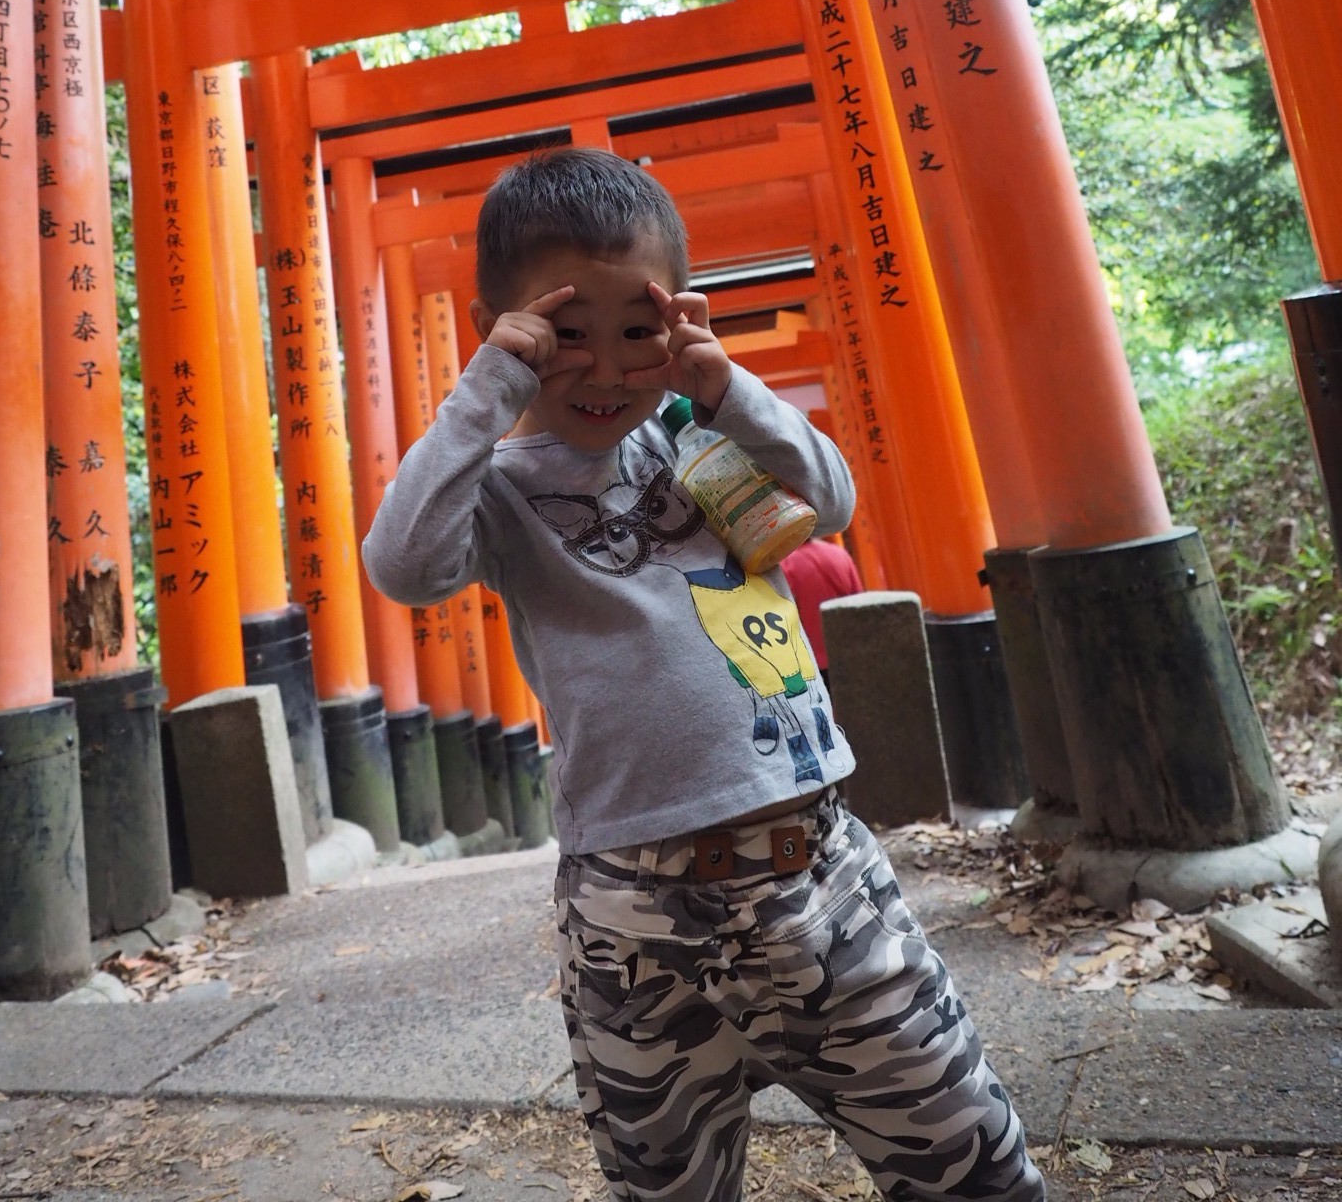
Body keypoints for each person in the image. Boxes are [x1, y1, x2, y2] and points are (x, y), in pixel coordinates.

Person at [364, 147, 1043, 1202]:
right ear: (501, 328)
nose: (604, 368)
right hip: (635, 910)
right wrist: (487, 391)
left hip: (820, 872)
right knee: (669, 1183)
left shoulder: (700, 435)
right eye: (562, 335)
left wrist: (723, 384)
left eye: (636, 331)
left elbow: (831, 496)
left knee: (973, 1160)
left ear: (679, 316)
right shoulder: (498, 490)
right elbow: (402, 562)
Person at [780, 534, 864, 670]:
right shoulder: (839, 553)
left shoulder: (786, 565)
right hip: (850, 651)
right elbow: (860, 602)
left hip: (815, 660)